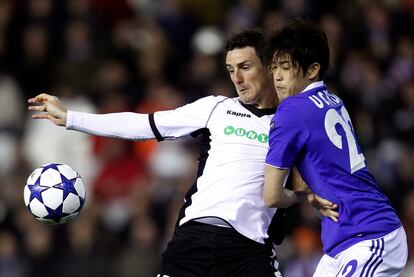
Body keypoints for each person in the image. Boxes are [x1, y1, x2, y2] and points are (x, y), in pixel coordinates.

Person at [28, 29, 335, 277]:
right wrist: (71, 118)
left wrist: (313, 196)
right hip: (192, 243)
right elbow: (143, 125)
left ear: (269, 68)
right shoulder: (215, 108)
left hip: (249, 250)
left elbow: (313, 180)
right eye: (230, 70)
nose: (237, 79)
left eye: (245, 67)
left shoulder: (292, 121)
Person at [263, 18, 407, 277]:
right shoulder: (333, 99)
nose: (277, 76)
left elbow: (271, 196)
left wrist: (300, 196)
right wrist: (309, 192)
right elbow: (315, 160)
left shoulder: (291, 110)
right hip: (345, 240)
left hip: (368, 236)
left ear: (312, 70)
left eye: (285, 67)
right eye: (274, 67)